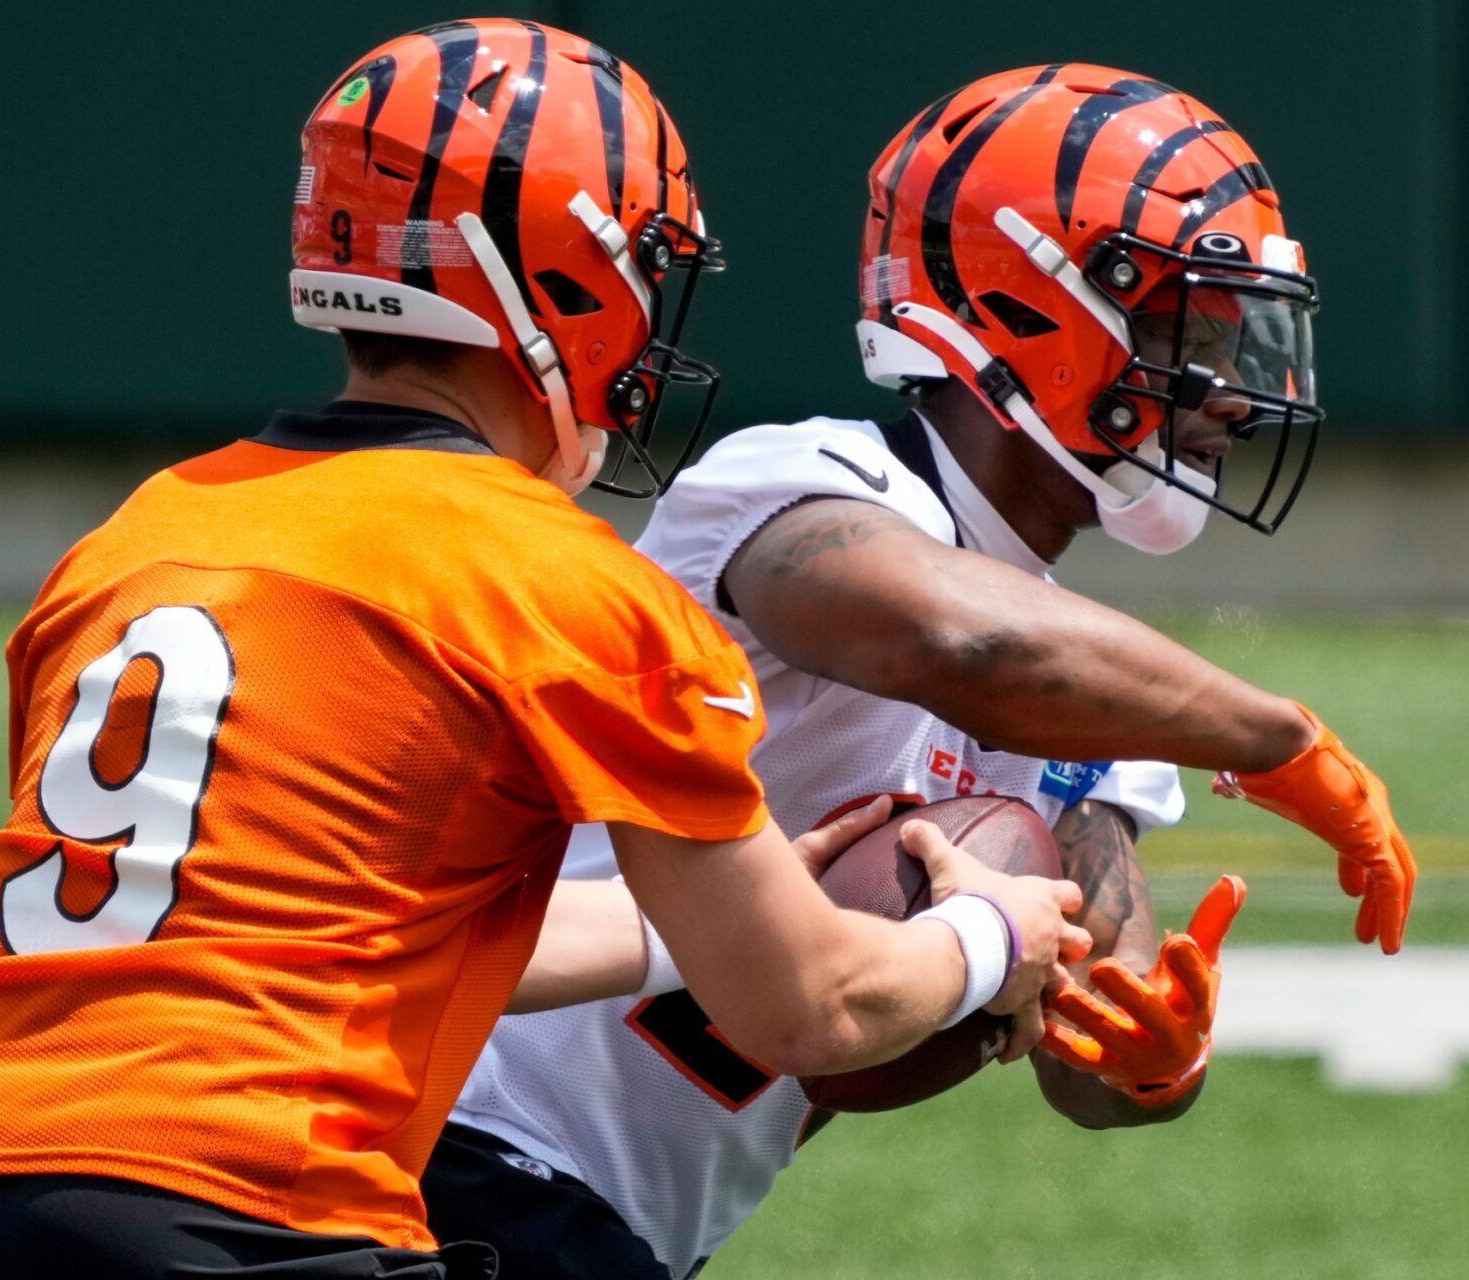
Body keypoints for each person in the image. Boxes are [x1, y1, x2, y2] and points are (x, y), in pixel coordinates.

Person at [0, 27, 1088, 1280]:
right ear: (570, 282)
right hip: (237, 1206)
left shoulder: (134, 537)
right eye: (642, 274)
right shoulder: (557, 573)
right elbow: (807, 1008)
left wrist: (685, 926)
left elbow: (312, 924)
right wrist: (989, 931)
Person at [429, 64, 1419, 1280]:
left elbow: (1090, 1068)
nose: (1225, 395)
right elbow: (959, 645)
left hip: (612, 1221)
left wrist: (1153, 1055)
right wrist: (1277, 737)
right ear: (1041, 309)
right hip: (460, 1135)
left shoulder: (1096, 682)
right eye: (1185, 330)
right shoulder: (794, 486)